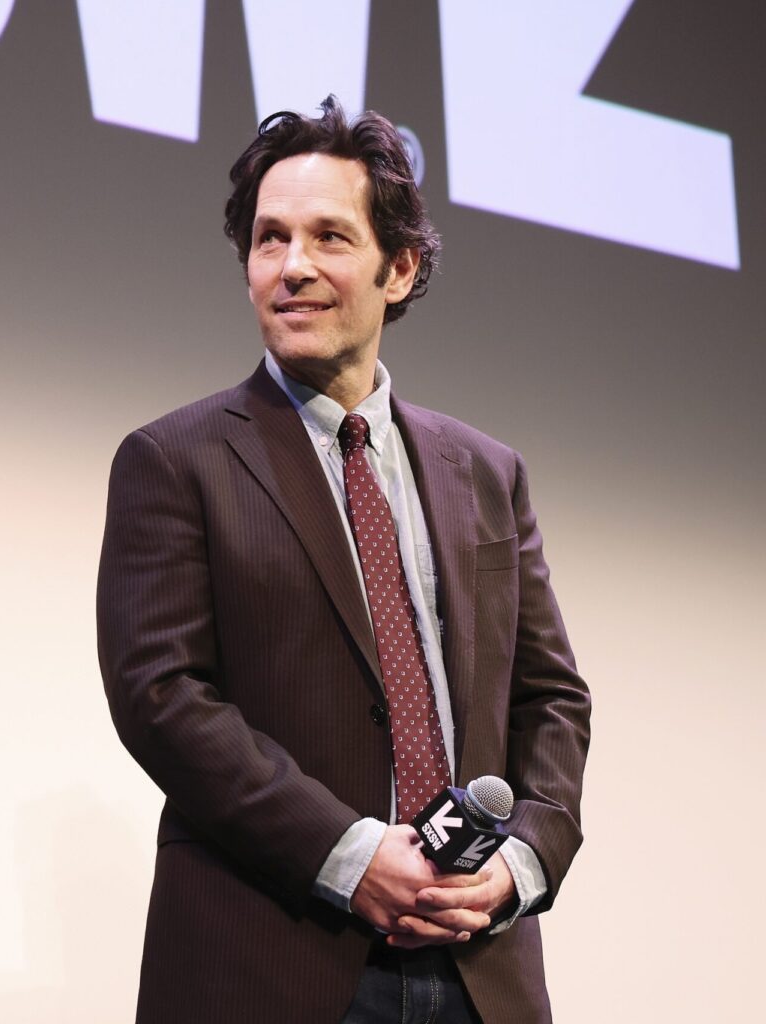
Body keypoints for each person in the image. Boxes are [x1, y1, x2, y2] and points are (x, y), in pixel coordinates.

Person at [96, 97, 590, 1023]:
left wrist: (521, 862)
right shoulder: (175, 460)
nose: (293, 268)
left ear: (399, 268)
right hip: (273, 954)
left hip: (479, 964)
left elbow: (552, 698)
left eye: (329, 237)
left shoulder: (487, 472)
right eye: (269, 239)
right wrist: (349, 852)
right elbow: (159, 694)